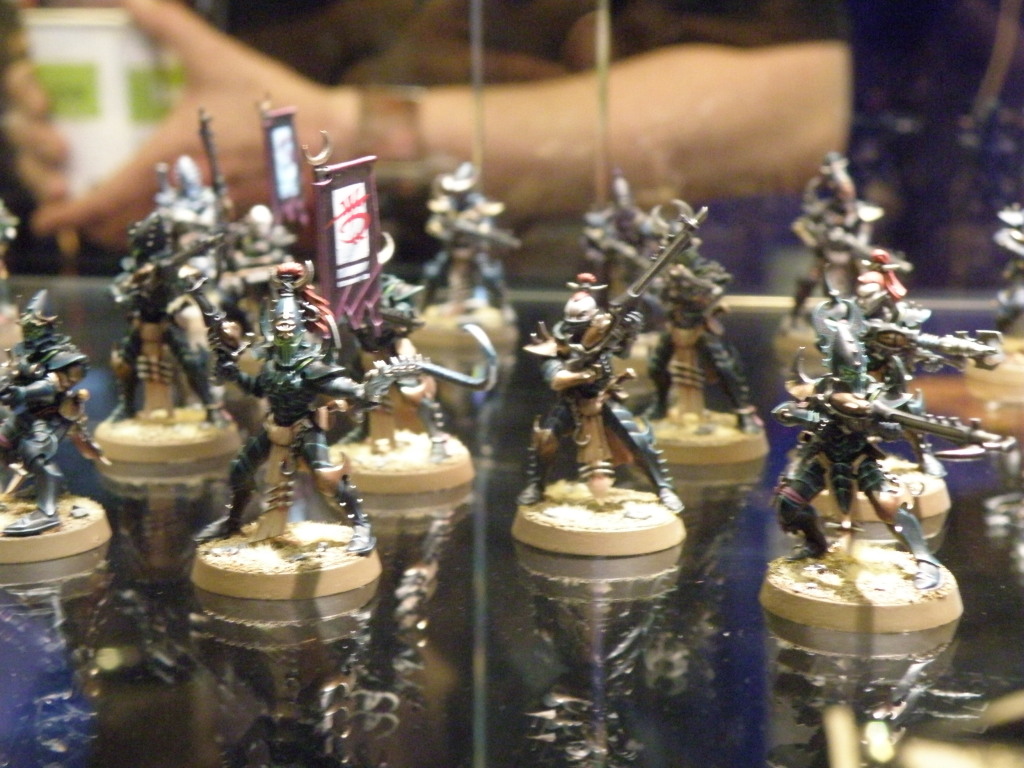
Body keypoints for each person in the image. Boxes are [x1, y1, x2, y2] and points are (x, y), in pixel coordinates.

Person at [6, 0, 849, 257]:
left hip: (560, 295)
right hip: (225, 307)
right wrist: (60, 134)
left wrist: (343, 135)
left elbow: (807, 100)